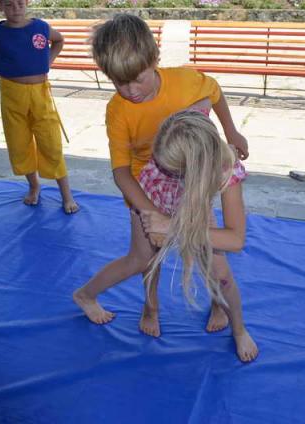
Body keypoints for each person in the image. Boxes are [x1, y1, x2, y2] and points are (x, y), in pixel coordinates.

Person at [73, 14, 251, 343]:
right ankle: (141, 305)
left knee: (211, 255)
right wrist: (149, 213)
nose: (130, 90)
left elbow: (214, 92)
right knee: (143, 258)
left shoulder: (185, 82)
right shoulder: (118, 109)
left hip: (192, 180)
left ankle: (218, 304)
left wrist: (231, 130)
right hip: (148, 187)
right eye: (118, 82)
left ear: (154, 60)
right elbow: (121, 171)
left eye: (137, 79)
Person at [138, 111, 258, 362]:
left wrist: (172, 227)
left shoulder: (226, 169)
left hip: (195, 215)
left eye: (174, 170)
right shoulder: (167, 157)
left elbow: (236, 240)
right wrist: (155, 219)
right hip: (157, 203)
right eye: (163, 164)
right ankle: (151, 308)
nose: (165, 169)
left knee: (222, 275)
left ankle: (238, 327)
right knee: (149, 262)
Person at [0, 0, 78, 213]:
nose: (16, 9)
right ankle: (34, 185)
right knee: (19, 142)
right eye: (9, 5)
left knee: (51, 143)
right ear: (0, 6)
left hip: (39, 94)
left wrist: (49, 60)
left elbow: (59, 40)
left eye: (20, 3)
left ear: (27, 3)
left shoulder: (40, 27)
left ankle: (66, 195)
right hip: (12, 94)